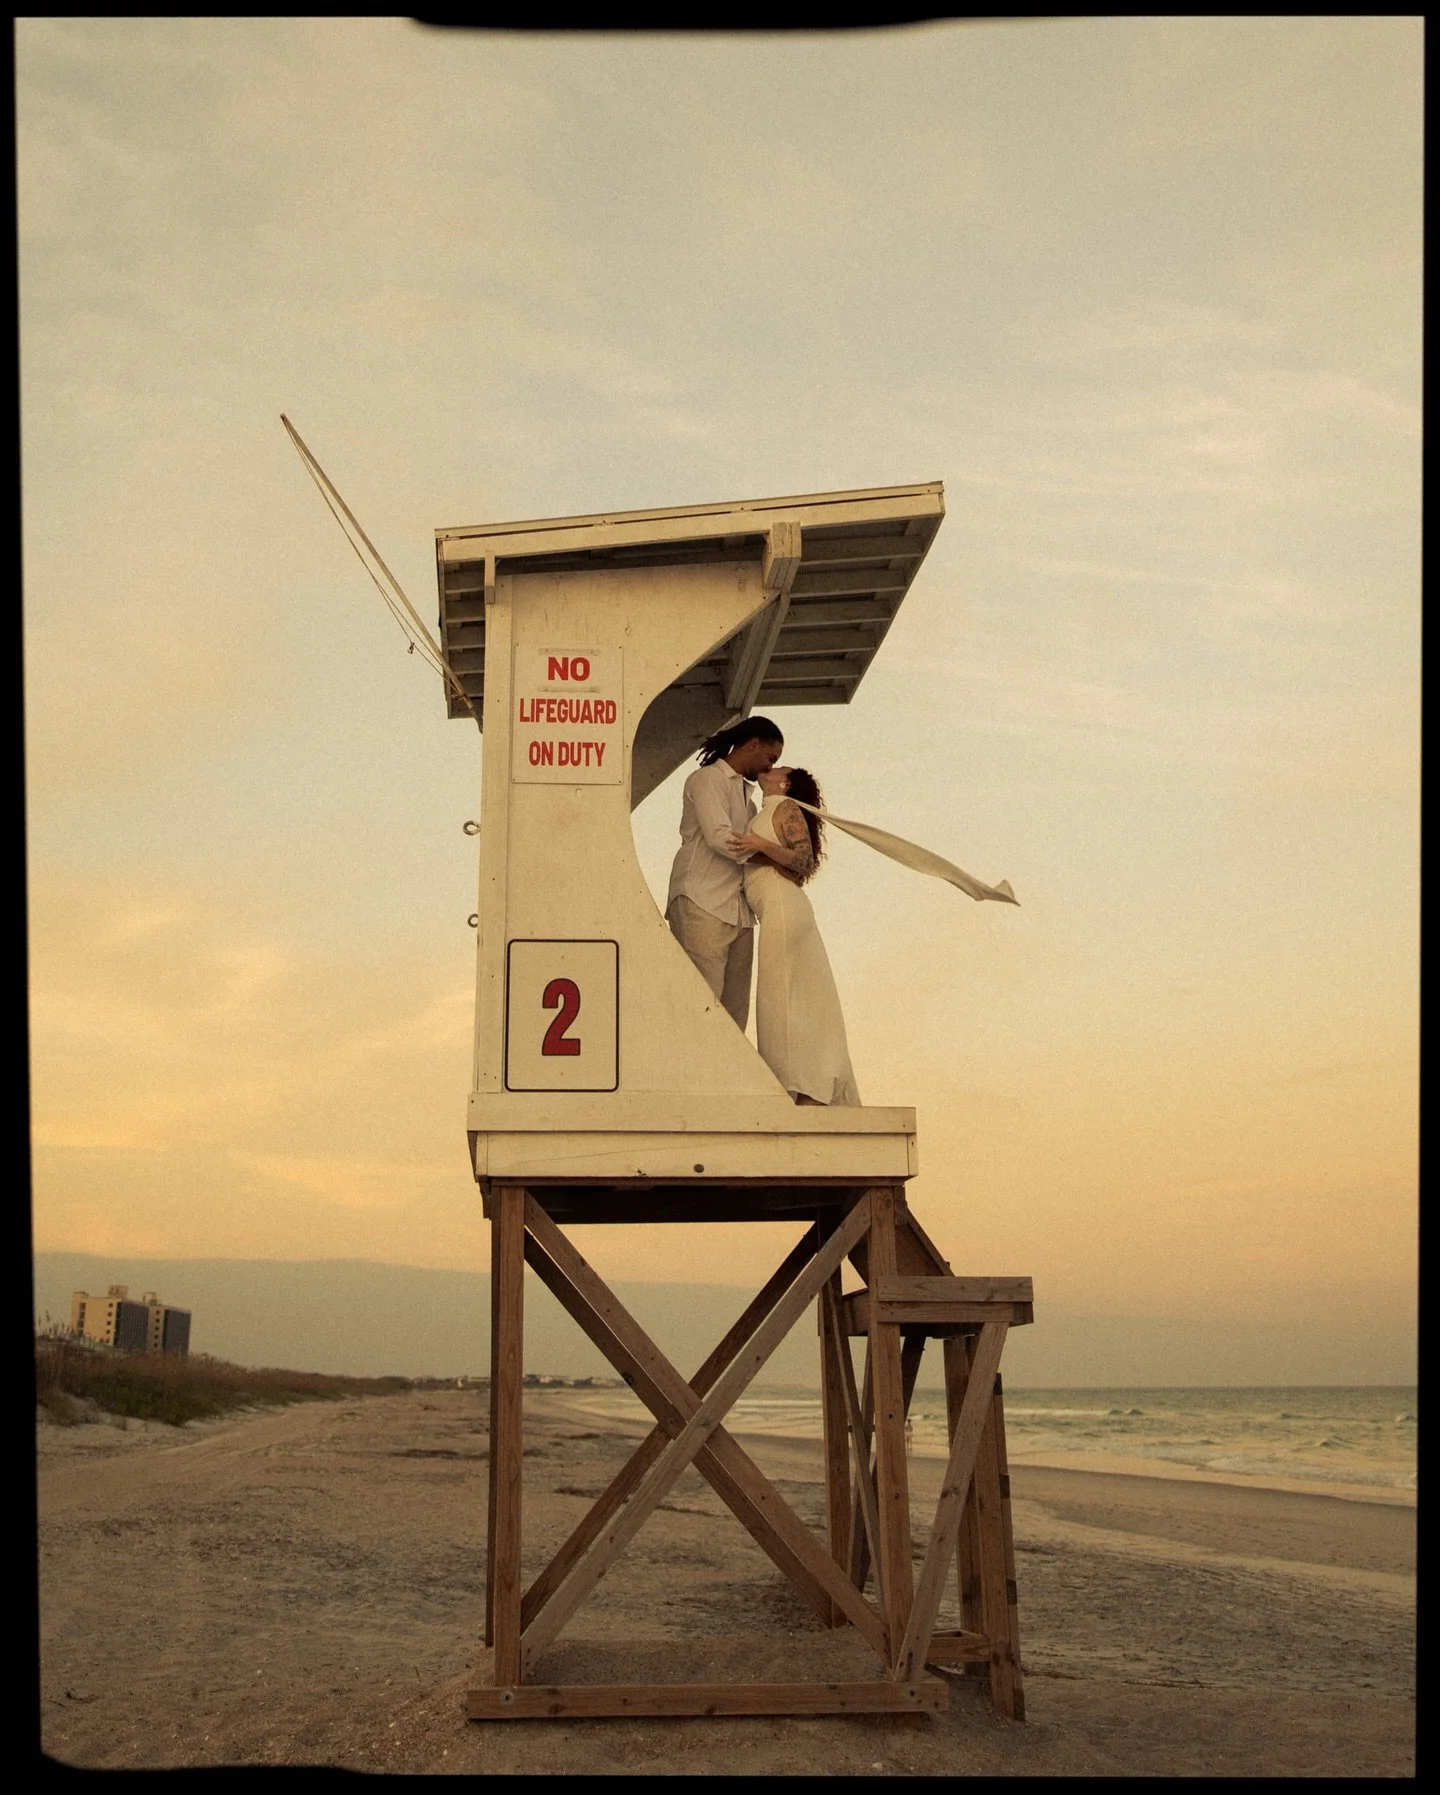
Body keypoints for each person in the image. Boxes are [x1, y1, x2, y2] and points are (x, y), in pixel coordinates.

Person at [732, 765, 862, 1107]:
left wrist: (759, 845)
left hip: (784, 909)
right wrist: (760, 851)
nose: (769, 768)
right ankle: (797, 1085)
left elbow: (803, 862)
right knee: (783, 998)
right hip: (776, 908)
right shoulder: (765, 811)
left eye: (778, 768)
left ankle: (801, 1087)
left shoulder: (785, 807)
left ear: (784, 783)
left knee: (784, 998)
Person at [665, 716, 784, 1030]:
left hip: (740, 913)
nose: (770, 768)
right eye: (771, 758)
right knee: (700, 1005)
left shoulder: (750, 806)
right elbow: (721, 838)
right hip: (701, 901)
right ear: (753, 744)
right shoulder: (708, 779)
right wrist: (772, 852)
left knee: (735, 1015)